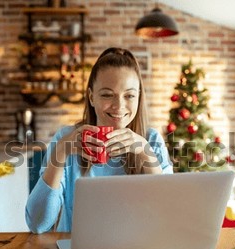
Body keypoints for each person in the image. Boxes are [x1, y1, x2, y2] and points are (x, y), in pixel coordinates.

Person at [25, 47, 173, 233]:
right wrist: (60, 152)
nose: (119, 106)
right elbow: (37, 224)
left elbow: (168, 216)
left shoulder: (150, 140)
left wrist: (144, 152)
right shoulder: (66, 139)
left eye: (129, 95)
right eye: (107, 94)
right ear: (91, 97)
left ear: (138, 98)